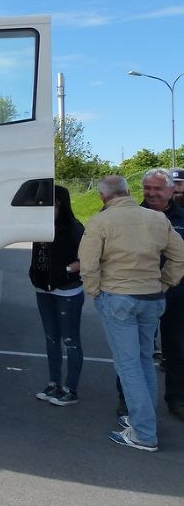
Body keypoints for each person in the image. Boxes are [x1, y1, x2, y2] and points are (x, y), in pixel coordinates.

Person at [79, 175, 184, 452]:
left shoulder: (101, 221)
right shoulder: (158, 219)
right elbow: (180, 255)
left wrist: (95, 292)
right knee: (143, 360)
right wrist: (165, 282)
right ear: (128, 192)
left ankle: (145, 433)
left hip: (118, 297)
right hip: (151, 297)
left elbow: (88, 264)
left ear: (103, 197)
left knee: (128, 366)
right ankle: (144, 421)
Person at [29, 185, 85, 406]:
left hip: (68, 291)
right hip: (43, 289)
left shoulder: (74, 228)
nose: (43, 208)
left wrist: (67, 271)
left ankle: (71, 389)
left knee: (70, 340)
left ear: (61, 203)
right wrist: (35, 274)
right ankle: (54, 383)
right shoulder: (40, 227)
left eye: (50, 203)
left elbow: (88, 257)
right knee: (51, 338)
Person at [141, 168, 184, 422]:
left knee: (177, 350)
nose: (152, 193)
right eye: (148, 188)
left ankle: (177, 399)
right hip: (138, 293)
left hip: (175, 294)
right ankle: (130, 401)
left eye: (158, 189)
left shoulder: (181, 218)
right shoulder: (129, 216)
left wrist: (168, 282)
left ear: (171, 190)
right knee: (135, 351)